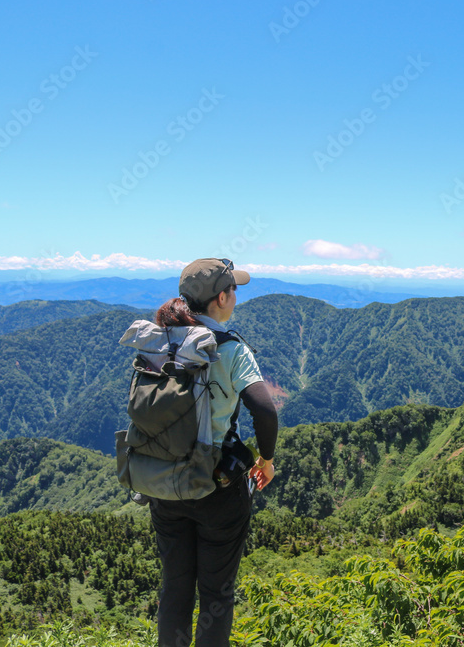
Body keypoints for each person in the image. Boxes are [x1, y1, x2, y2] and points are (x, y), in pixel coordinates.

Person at [148, 257, 279, 647]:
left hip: (164, 482)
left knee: (175, 588)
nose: (236, 295)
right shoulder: (229, 347)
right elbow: (265, 410)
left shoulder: (160, 337)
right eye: (234, 289)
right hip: (217, 486)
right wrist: (266, 460)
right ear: (221, 298)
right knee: (216, 593)